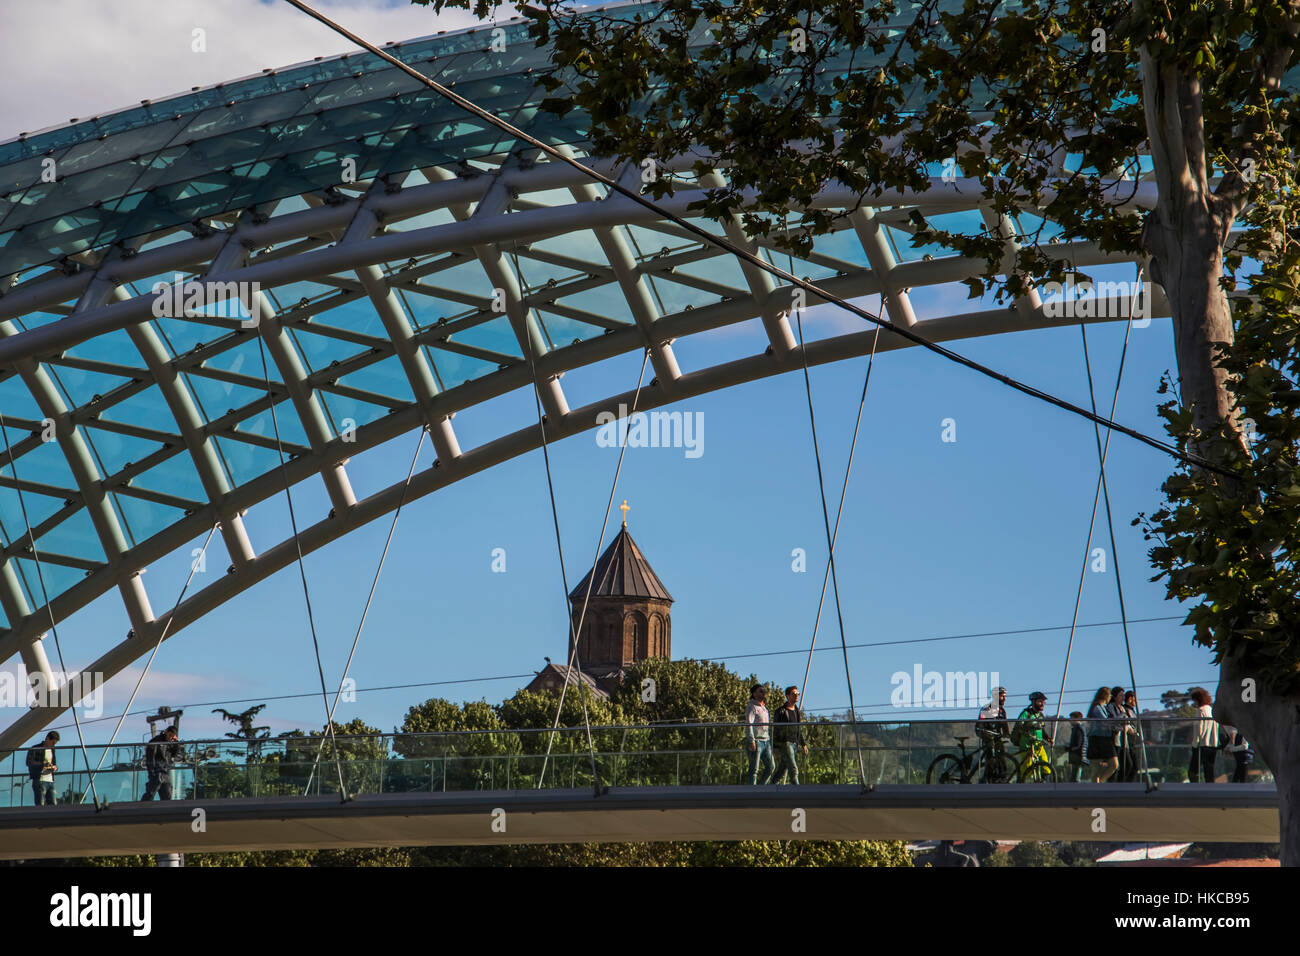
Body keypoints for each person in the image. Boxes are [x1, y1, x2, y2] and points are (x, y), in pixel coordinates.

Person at [771, 685, 808, 785]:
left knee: (782, 770)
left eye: (798, 694)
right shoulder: (781, 711)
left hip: (794, 743)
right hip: (785, 743)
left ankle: (771, 786)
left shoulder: (796, 711)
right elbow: (776, 729)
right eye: (794, 694)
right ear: (787, 696)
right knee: (793, 769)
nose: (796, 696)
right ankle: (797, 790)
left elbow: (798, 729)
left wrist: (803, 744)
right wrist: (775, 746)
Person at [143, 725, 185, 801]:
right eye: (169, 735)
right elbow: (150, 757)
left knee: (167, 795)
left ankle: (165, 811)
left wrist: (176, 744)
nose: (170, 738)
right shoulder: (156, 741)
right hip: (156, 771)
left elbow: (175, 755)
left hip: (165, 771)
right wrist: (152, 772)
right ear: (166, 732)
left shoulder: (171, 744)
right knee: (151, 793)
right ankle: (142, 808)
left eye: (172, 736)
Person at [1086, 687, 1117, 782]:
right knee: (1096, 769)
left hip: (1106, 738)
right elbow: (1105, 721)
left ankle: (1101, 782)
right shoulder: (1097, 708)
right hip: (1097, 739)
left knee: (1114, 765)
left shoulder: (1104, 708)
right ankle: (1096, 787)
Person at [745, 685, 774, 786]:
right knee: (754, 769)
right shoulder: (752, 707)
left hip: (766, 741)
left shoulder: (764, 708)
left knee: (771, 766)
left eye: (763, 691)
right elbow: (749, 723)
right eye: (760, 691)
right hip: (757, 741)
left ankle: (761, 786)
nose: (763, 693)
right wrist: (751, 740)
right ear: (754, 694)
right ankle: (752, 789)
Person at [1188, 688, 1218, 783]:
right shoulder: (1212, 710)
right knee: (1209, 770)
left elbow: (1199, 729)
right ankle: (1210, 789)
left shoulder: (1200, 711)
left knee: (1193, 770)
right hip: (1213, 744)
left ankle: (1194, 789)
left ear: (1198, 700)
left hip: (1201, 745)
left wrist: (1194, 744)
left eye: (1194, 700)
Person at [1011, 691, 1053, 757]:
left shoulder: (1041, 715)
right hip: (1027, 746)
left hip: (1039, 745)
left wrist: (1048, 738)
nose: (1042, 704)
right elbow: (1018, 727)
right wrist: (1027, 734)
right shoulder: (1026, 713)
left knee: (1045, 766)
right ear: (1033, 702)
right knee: (1028, 765)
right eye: (1040, 702)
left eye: (1044, 702)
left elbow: (1042, 730)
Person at [25, 731, 60, 806]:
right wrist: (43, 765)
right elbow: (29, 762)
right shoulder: (36, 748)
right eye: (53, 742)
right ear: (47, 739)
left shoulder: (52, 750)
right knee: (40, 804)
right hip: (39, 780)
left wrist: (55, 768)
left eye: (55, 743)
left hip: (50, 780)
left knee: (53, 804)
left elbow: (54, 763)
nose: (53, 745)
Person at [1107, 686, 1129, 782]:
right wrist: (1122, 717)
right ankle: (1113, 784)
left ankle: (1122, 783)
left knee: (1127, 765)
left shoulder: (1122, 708)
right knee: (1116, 766)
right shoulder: (1111, 707)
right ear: (1115, 696)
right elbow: (1113, 720)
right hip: (1115, 739)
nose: (1123, 698)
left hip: (1123, 739)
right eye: (1121, 695)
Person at [1122, 691, 1142, 782]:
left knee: (1134, 766)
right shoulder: (1125, 709)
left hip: (1133, 741)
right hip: (1127, 741)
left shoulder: (1133, 711)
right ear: (1130, 699)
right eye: (1135, 699)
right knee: (1130, 766)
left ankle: (1128, 783)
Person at [1066, 711, 1088, 782]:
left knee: (1075, 776)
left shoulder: (1078, 728)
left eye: (1071, 718)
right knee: (1075, 774)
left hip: (1078, 755)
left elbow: (1079, 743)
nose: (1070, 721)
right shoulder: (1078, 728)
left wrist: (1070, 748)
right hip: (1078, 754)